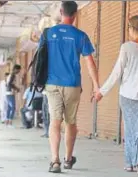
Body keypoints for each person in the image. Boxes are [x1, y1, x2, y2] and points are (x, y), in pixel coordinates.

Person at [95, 15, 138, 175]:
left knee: (130, 128)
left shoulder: (126, 47)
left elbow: (116, 72)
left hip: (127, 95)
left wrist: (101, 92)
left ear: (132, 28)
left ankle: (129, 163)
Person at [41, 1, 99, 173]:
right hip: (73, 84)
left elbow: (40, 60)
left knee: (55, 122)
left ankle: (55, 161)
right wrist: (96, 86)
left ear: (61, 12)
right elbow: (90, 63)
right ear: (76, 14)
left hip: (52, 84)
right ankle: (67, 159)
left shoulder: (48, 33)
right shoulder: (80, 36)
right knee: (70, 122)